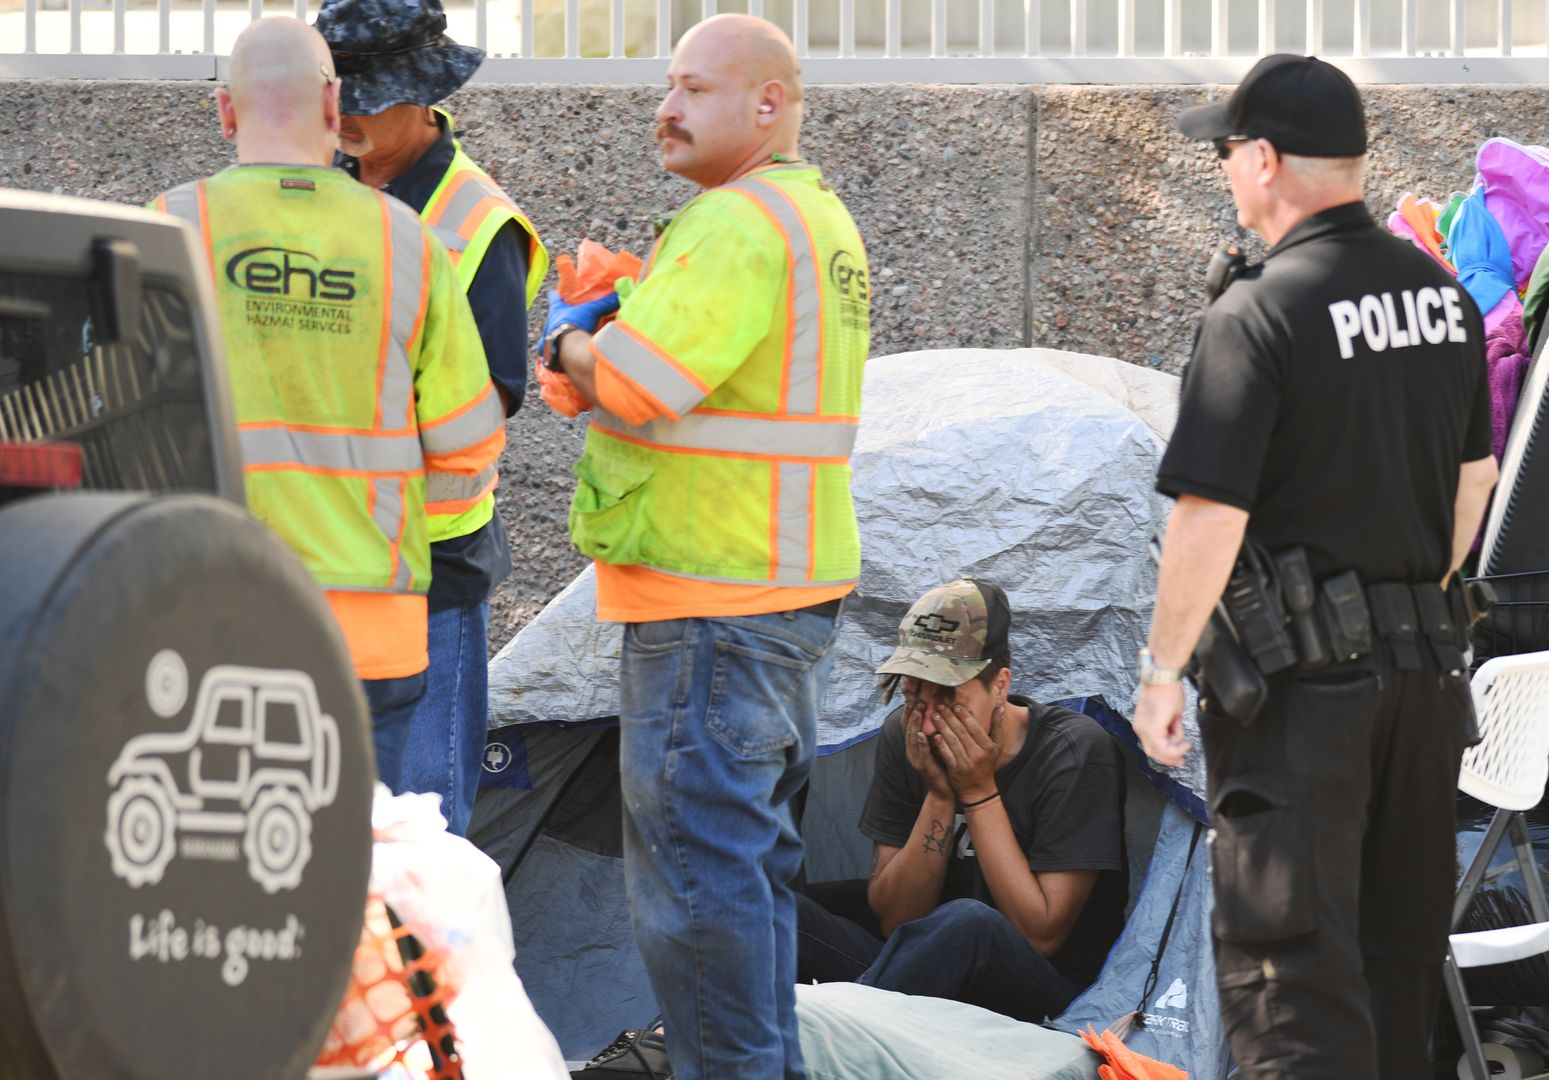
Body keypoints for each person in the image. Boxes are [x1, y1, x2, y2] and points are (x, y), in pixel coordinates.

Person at [1129, 54, 1500, 1080]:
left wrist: (1162, 672)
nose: (1223, 175)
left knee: (1289, 977)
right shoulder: (1443, 297)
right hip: (1422, 689)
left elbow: (1209, 513)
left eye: (1224, 154)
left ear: (1263, 159)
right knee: (1394, 965)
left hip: (1299, 703)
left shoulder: (1258, 312)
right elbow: (1477, 483)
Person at [538, 14, 870, 1080]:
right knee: (749, 881)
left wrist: (570, 331)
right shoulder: (814, 220)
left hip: (709, 607)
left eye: (692, 88)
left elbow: (639, 381)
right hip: (773, 602)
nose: (665, 109)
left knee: (697, 890)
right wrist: (627, 318)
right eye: (665, 87)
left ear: (768, 103)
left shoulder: (735, 225)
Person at [151, 16, 501, 787]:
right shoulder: (408, 240)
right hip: (375, 635)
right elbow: (470, 442)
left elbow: (118, 428)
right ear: (335, 101)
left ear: (226, 111)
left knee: (226, 869)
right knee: (363, 881)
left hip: (217, 622)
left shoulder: (172, 228)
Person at [317, 0, 550, 836]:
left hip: (429, 572)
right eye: (333, 90)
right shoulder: (322, 190)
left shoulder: (476, 223)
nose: (342, 112)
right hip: (328, 557)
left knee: (420, 843)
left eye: (363, 95)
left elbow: (482, 411)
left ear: (422, 95)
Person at [793, 578, 1127, 1023]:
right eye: (915, 697)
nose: (930, 725)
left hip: (1040, 984)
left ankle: (834, 1036)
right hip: (915, 972)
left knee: (969, 923)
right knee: (776, 909)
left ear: (1001, 685)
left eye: (950, 701)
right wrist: (939, 794)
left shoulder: (1073, 751)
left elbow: (1040, 937)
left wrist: (978, 791)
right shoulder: (905, 733)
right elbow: (897, 921)